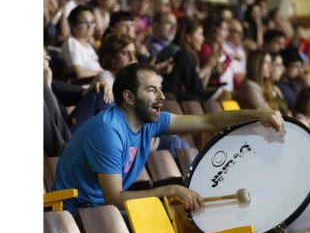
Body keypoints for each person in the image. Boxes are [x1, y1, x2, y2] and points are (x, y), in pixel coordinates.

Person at [52, 62, 284, 214]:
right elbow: (114, 198)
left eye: (160, 89)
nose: (162, 96)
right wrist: (170, 190)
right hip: (73, 214)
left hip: (101, 210)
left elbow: (208, 121)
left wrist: (256, 115)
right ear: (129, 97)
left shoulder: (150, 121)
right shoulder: (108, 132)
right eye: (152, 90)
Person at [60, 5, 104, 79]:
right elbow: (78, 73)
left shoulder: (89, 46)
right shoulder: (72, 42)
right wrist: (103, 74)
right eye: (84, 22)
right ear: (72, 25)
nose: (90, 26)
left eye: (92, 22)